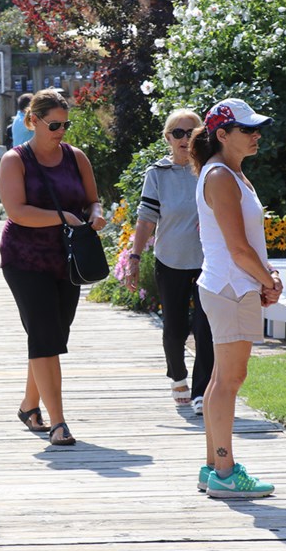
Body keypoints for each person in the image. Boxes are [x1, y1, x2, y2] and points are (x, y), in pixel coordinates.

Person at [0, 89, 106, 446]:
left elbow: (93, 200)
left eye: (65, 124)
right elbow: (17, 211)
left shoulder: (76, 158)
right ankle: (58, 422)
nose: (61, 130)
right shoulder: (15, 160)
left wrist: (96, 215)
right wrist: (66, 217)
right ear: (33, 121)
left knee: (52, 335)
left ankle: (30, 405)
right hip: (24, 259)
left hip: (67, 260)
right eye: (54, 124)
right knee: (44, 333)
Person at [190, 98, 281, 499]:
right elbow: (238, 249)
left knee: (219, 380)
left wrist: (265, 276)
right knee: (229, 380)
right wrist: (269, 281)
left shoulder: (231, 174)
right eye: (247, 129)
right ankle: (225, 472)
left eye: (256, 127)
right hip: (231, 286)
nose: (256, 134)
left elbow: (245, 247)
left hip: (232, 285)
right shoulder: (221, 176)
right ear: (221, 135)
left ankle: (214, 466)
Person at [124, 109, 213, 416]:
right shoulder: (157, 174)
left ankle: (202, 391)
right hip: (170, 260)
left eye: (191, 133)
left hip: (208, 262)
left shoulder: (211, 170)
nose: (185, 139)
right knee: (174, 329)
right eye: (178, 133)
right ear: (167, 138)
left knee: (206, 328)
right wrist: (135, 256)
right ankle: (177, 376)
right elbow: (147, 218)